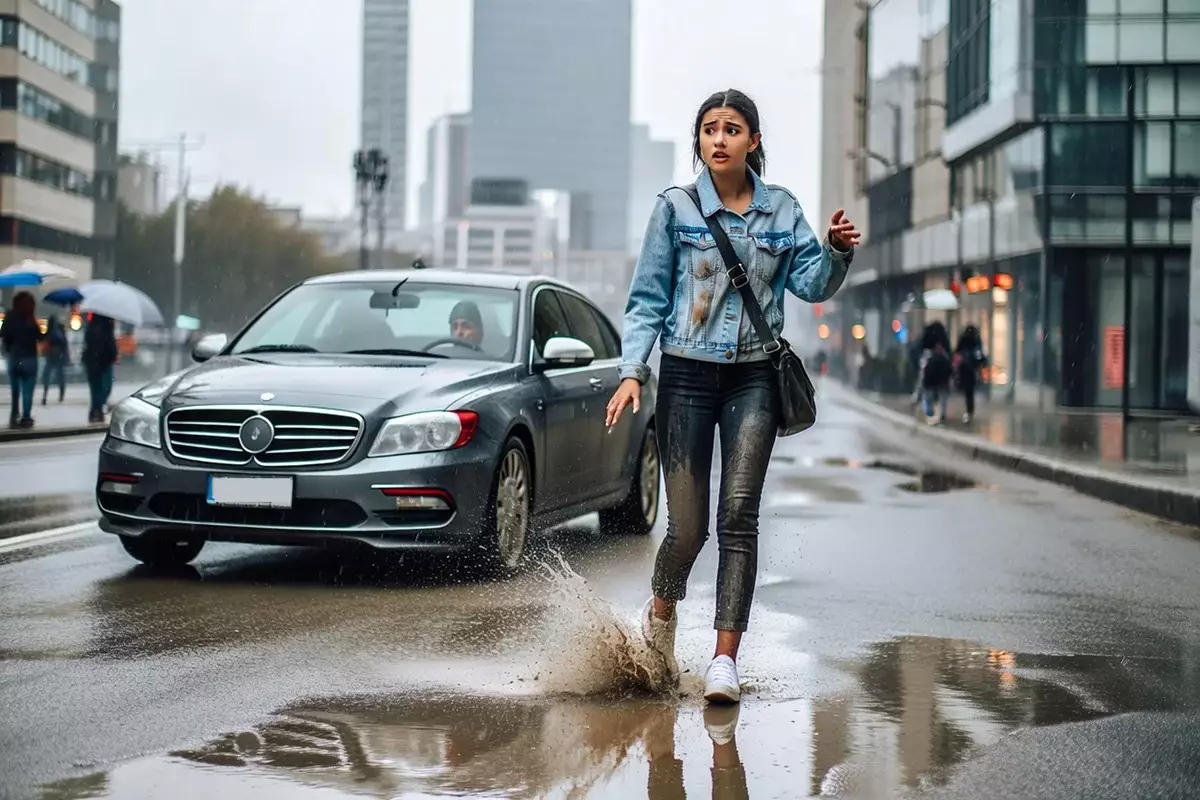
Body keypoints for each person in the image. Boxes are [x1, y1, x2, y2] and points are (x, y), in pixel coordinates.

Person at [605, 89, 859, 704]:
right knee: (687, 528)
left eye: (732, 129)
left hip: (754, 379)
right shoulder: (675, 209)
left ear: (753, 142)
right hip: (687, 374)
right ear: (700, 141)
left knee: (738, 516)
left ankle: (724, 660)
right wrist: (633, 369)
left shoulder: (781, 211)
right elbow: (647, 298)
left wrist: (837, 251)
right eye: (709, 129)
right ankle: (662, 610)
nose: (718, 139)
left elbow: (810, 282)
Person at [2, 291, 44, 429]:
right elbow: (40, 337)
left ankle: (14, 414)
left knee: (15, 390)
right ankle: (26, 417)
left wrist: (9, 348)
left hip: (15, 357)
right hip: (30, 358)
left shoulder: (10, 316)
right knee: (27, 390)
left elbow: (4, 335)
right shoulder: (30, 319)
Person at [82, 314, 118, 423]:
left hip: (92, 361)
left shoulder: (90, 327)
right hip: (105, 361)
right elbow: (111, 344)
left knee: (95, 388)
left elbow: (87, 344)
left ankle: (95, 410)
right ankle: (98, 408)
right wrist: (114, 355)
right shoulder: (108, 327)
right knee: (106, 386)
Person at [954, 325, 987, 423]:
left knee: (967, 392)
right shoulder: (976, 342)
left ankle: (969, 411)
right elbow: (980, 357)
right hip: (972, 370)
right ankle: (970, 410)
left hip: (964, 370)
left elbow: (957, 352)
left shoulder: (963, 341)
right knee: (970, 392)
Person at [41, 315, 69, 405]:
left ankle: (45, 395)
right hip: (58, 356)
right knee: (60, 376)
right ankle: (61, 394)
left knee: (47, 376)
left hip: (51, 356)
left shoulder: (49, 331)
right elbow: (64, 344)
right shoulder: (60, 331)